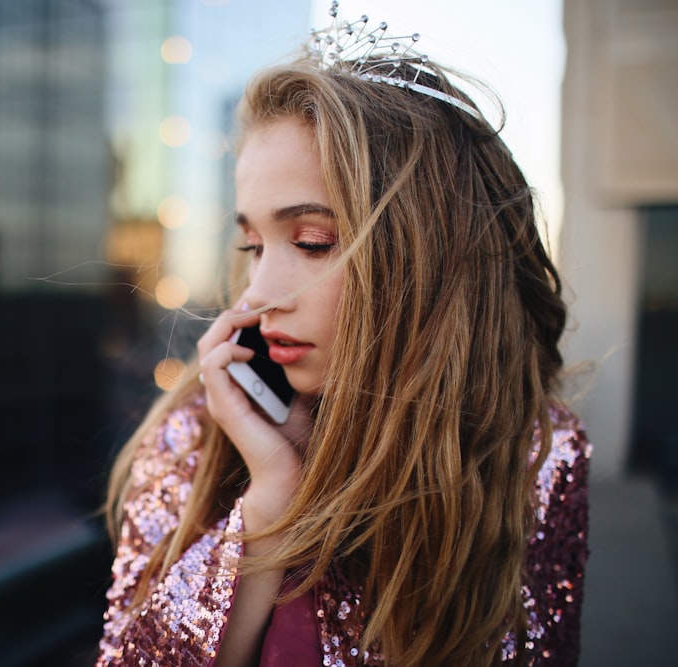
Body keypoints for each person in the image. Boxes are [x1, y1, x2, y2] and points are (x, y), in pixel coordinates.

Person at [96, 8, 590, 667]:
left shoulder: (536, 454)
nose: (256, 293)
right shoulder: (200, 434)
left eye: (311, 241)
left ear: (431, 257)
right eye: (252, 244)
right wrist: (270, 500)